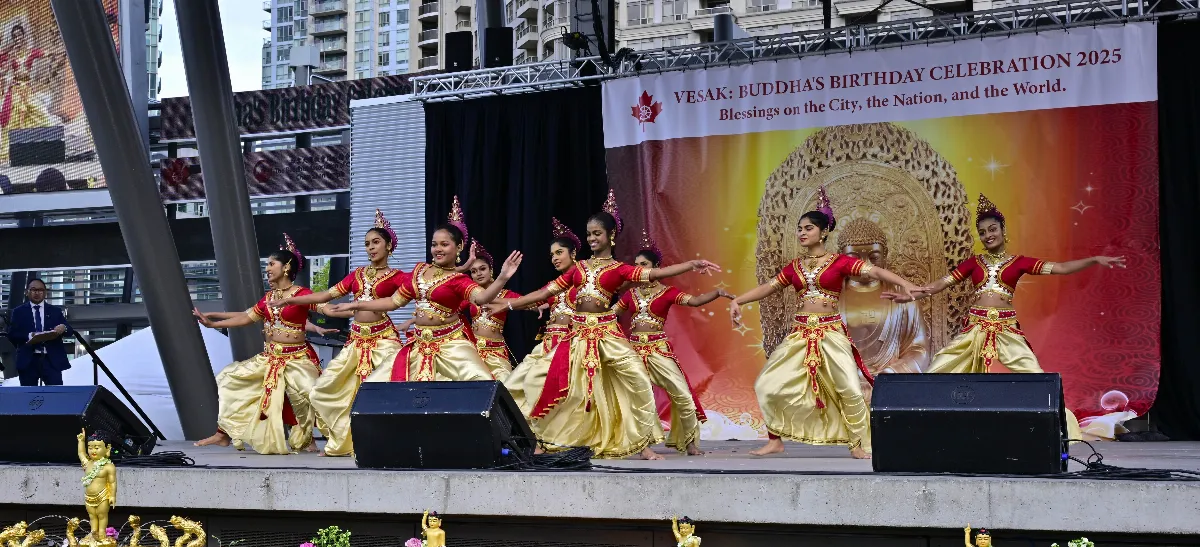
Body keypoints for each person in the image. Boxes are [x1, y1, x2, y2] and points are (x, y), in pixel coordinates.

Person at [497, 191, 720, 460]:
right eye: (589, 234)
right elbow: (544, 293)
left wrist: (691, 265)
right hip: (578, 335)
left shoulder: (620, 269)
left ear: (611, 235)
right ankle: (544, 437)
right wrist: (509, 304)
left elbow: (656, 274)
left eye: (597, 234)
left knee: (636, 379)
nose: (592, 239)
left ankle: (640, 443)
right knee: (562, 386)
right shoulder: (577, 269)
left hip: (607, 333)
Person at [728, 187, 920, 458]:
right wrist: (738, 300)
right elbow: (768, 287)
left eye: (808, 228)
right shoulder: (793, 267)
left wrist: (906, 283)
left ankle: (858, 444)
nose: (802, 233)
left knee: (850, 389)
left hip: (830, 333)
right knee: (766, 384)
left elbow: (875, 270)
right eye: (799, 229)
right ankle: (775, 441)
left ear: (823, 232)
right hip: (800, 334)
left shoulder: (839, 262)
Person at [893, 194, 1125, 373]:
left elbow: (1061, 268)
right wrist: (913, 294)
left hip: (1006, 329)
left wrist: (1094, 259)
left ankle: (1048, 424)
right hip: (975, 326)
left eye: (992, 229)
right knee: (938, 368)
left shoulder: (1019, 262)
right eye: (982, 232)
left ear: (1003, 230)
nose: (988, 235)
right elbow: (941, 284)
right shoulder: (974, 263)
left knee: (1033, 375)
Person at [329, 198, 523, 382]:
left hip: (451, 346)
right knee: (376, 383)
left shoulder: (459, 280)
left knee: (482, 383)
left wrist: (503, 277)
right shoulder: (419, 271)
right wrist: (356, 304)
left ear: (459, 247)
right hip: (418, 347)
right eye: (434, 244)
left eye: (444, 244)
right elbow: (393, 302)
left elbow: (482, 298)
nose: (438, 249)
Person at [270, 210, 407, 457]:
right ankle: (342, 442)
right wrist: (292, 301)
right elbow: (326, 296)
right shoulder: (357, 275)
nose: (370, 248)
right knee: (324, 389)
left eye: (376, 242)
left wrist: (461, 266)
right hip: (355, 341)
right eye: (367, 244)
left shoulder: (398, 277)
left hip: (383, 340)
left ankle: (387, 441)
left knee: (386, 388)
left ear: (389, 245)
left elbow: (426, 285)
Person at [192, 235, 325, 455]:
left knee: (307, 393)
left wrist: (351, 308)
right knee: (231, 378)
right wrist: (213, 322)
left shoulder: (302, 295)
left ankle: (314, 439)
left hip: (297, 356)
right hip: (271, 357)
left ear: (286, 267)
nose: (267, 268)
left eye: (271, 264)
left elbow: (324, 306)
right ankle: (223, 432)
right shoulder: (269, 297)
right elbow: (246, 317)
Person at [613, 230, 734, 455]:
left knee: (683, 396)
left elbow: (696, 302)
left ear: (656, 267)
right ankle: (643, 445)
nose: (639, 270)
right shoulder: (630, 294)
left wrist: (716, 292)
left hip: (658, 350)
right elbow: (611, 314)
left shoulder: (668, 293)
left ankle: (689, 443)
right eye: (637, 265)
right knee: (638, 398)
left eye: (644, 265)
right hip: (633, 350)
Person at [835, 218, 930, 402]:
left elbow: (919, 349)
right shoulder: (831, 298)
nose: (865, 265)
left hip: (890, 385)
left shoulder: (902, 296)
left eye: (874, 257)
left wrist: (891, 374)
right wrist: (848, 375)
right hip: (844, 386)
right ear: (842, 257)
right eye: (855, 258)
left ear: (885, 255)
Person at [503, 218, 581, 421]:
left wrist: (507, 304)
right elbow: (536, 299)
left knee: (539, 384)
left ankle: (543, 433)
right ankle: (526, 432)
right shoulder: (554, 284)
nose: (554, 258)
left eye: (559, 253)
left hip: (572, 344)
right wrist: (498, 302)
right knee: (513, 384)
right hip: (548, 344)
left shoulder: (585, 279)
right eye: (552, 255)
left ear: (573, 253)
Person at [460, 239, 521, 382]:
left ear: (491, 270)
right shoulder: (470, 296)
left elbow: (529, 303)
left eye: (482, 269)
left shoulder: (506, 294)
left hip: (496, 353)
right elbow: (449, 309)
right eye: (473, 271)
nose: (478, 274)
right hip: (474, 352)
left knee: (504, 387)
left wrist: (539, 306)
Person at [6, 278, 71, 386]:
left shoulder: (55, 311)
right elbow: (12, 334)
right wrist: (29, 336)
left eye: (40, 290)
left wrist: (64, 327)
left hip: (51, 361)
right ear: (27, 292)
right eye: (33, 290)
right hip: (28, 361)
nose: (37, 293)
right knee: (29, 398)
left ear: (45, 293)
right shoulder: (18, 312)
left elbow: (70, 331)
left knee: (55, 395)